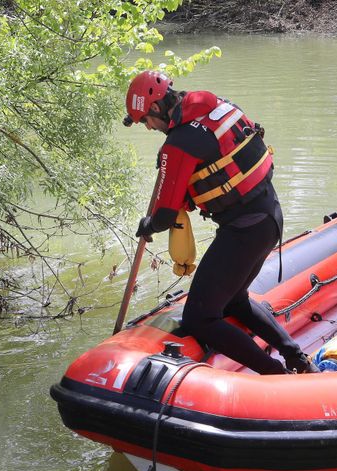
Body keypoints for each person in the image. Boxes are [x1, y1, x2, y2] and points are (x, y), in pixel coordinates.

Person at [123, 71, 318, 375]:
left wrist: (147, 225)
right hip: (270, 216)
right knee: (235, 300)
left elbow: (163, 216)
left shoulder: (178, 144)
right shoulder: (212, 105)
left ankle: (275, 374)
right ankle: (295, 356)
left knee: (200, 319)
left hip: (245, 230)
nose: (147, 127)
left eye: (145, 120)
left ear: (158, 108)